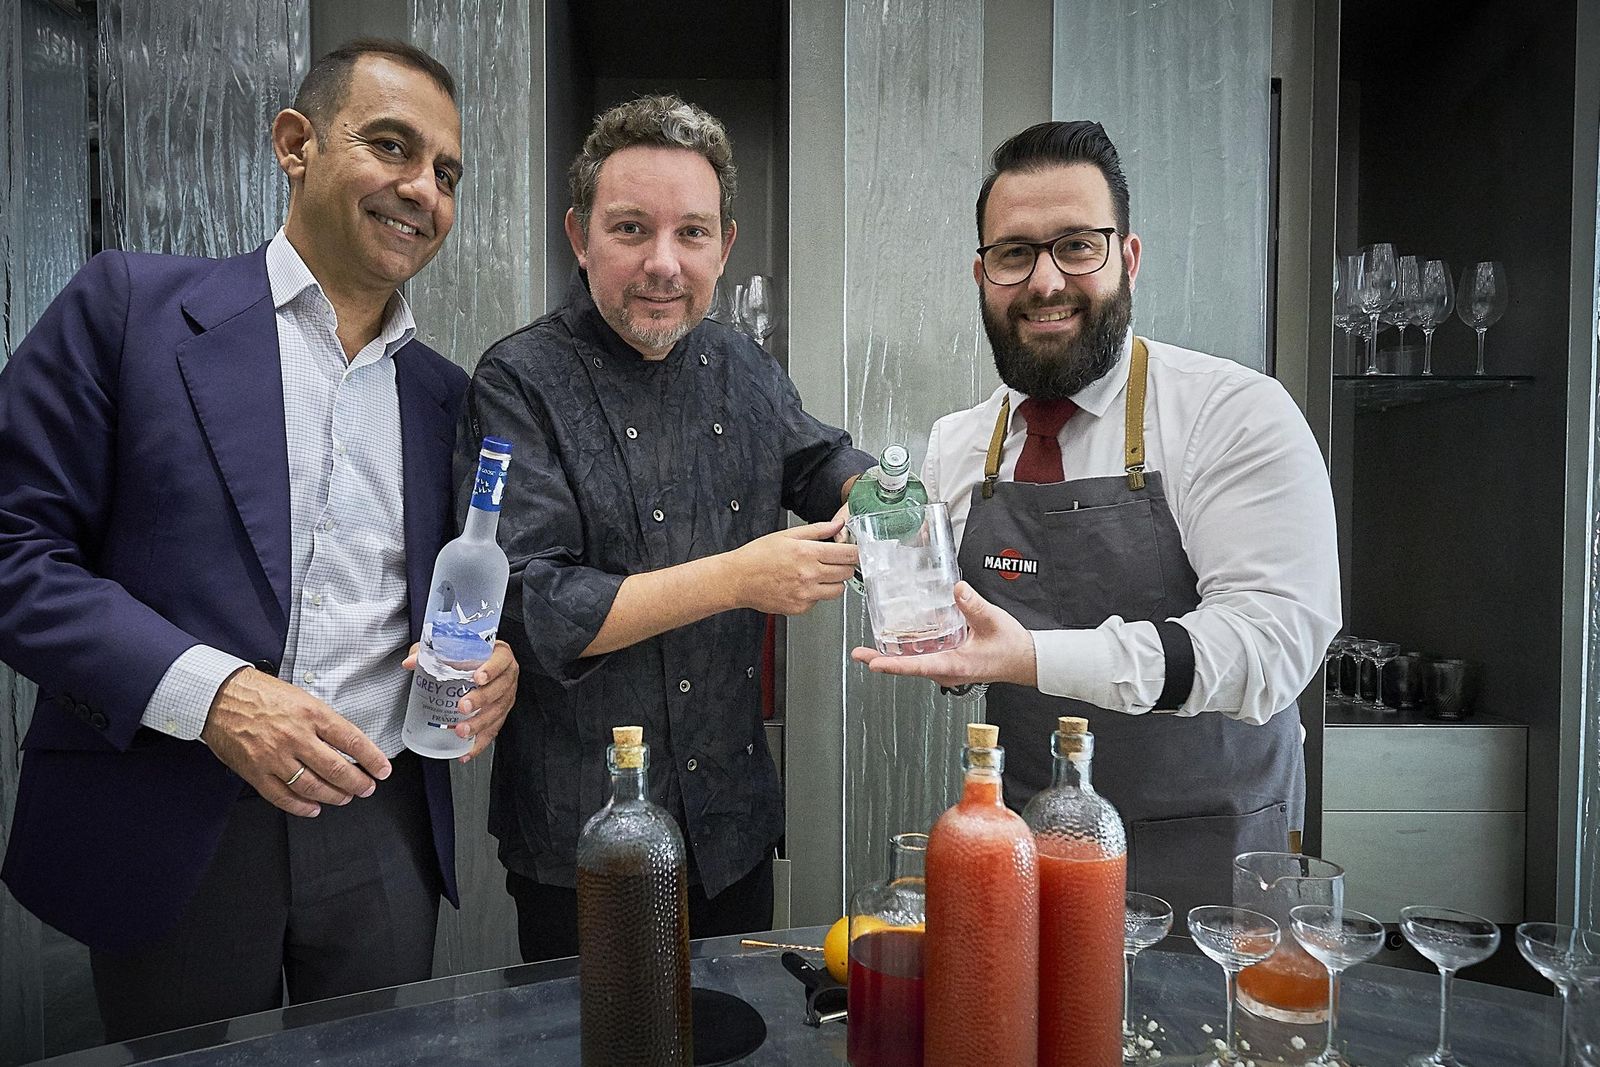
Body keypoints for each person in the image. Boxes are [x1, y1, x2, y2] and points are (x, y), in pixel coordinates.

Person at [0, 39, 519, 1040]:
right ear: (297, 143)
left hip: (383, 822)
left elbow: (447, 596)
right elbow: (15, 548)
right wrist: (214, 695)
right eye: (391, 146)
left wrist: (489, 663)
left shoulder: (447, 398)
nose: (422, 188)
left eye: (446, 174)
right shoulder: (129, 310)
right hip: (176, 811)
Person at [854, 120, 1340, 918]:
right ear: (982, 275)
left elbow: (1272, 645)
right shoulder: (957, 447)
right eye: (1015, 254)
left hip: (1213, 866)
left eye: (1077, 245)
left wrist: (1033, 655)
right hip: (1024, 853)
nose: (1045, 281)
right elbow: (953, 631)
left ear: (1129, 259)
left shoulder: (1232, 414)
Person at [458, 94, 873, 962]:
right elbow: (533, 603)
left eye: (691, 233)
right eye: (630, 230)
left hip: (730, 825)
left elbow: (817, 459)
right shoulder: (519, 378)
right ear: (579, 236)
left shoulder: (742, 364)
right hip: (584, 835)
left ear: (725, 243)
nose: (663, 264)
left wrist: (885, 502)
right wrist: (735, 579)